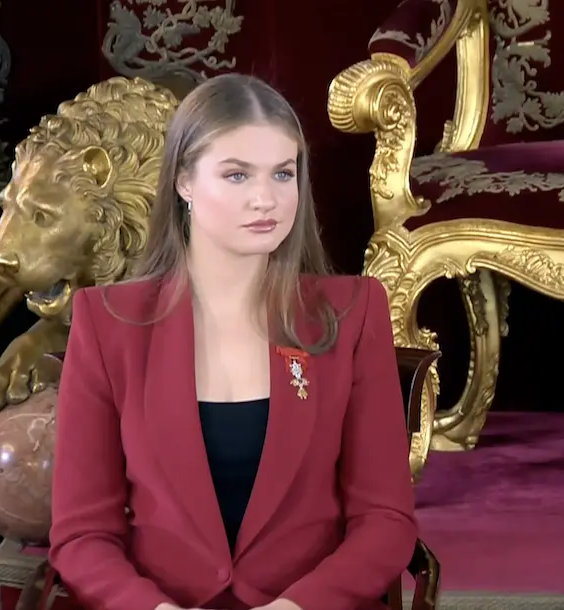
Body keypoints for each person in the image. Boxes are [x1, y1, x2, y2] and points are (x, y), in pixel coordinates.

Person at [48, 73, 418, 610]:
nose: (266, 199)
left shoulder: (352, 313)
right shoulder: (108, 325)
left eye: (283, 174)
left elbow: (384, 521)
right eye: (238, 175)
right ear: (183, 182)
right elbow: (83, 534)